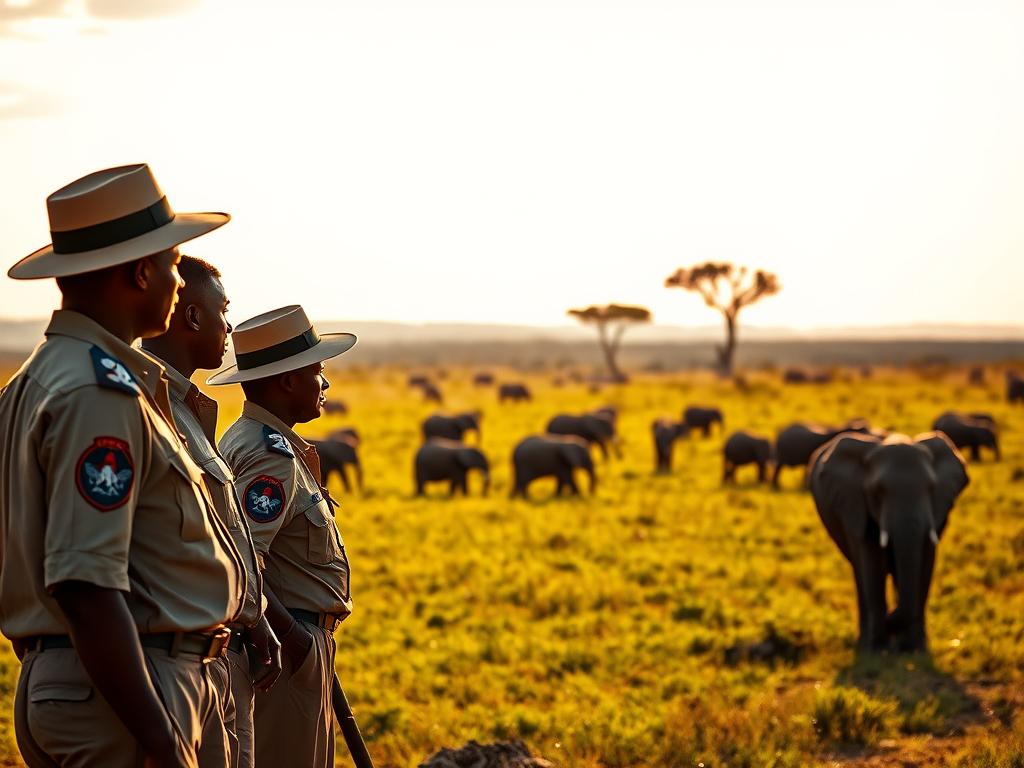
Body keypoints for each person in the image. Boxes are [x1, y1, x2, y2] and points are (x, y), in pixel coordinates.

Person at [0, 163, 246, 768]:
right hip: (127, 692)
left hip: (86, 681)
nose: (176, 283)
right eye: (170, 266)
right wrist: (160, 741)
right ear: (140, 272)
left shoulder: (34, 380)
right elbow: (85, 584)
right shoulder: (97, 391)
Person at [141, 255, 283, 768]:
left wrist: (255, 616)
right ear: (194, 317)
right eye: (223, 311)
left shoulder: (186, 410)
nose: (229, 326)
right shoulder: (140, 405)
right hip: (163, 663)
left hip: (212, 654)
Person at [211, 305, 356, 768]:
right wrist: (293, 639)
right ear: (288, 380)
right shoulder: (268, 454)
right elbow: (242, 559)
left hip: (293, 644)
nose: (325, 384)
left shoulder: (250, 438)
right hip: (284, 651)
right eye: (317, 371)